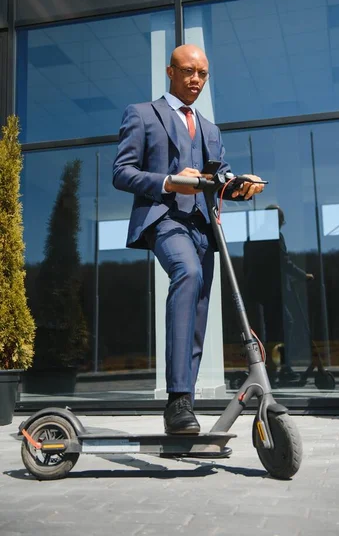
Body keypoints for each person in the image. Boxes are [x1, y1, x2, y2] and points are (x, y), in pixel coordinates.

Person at [113, 44, 264, 434]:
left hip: (203, 227)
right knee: (187, 272)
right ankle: (176, 400)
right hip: (163, 218)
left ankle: (185, 409)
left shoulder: (211, 129)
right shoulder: (143, 114)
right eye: (188, 71)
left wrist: (239, 185)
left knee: (198, 308)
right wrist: (169, 180)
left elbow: (220, 178)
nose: (195, 79)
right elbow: (122, 172)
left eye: (202, 74)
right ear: (170, 71)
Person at [243, 205, 313, 384]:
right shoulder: (274, 236)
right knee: (283, 325)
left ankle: (271, 366)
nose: (282, 224)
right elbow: (284, 262)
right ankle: (281, 367)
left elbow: (246, 267)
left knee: (267, 328)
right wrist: (303, 276)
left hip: (257, 291)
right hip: (273, 291)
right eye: (281, 221)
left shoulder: (252, 238)